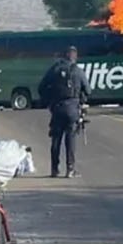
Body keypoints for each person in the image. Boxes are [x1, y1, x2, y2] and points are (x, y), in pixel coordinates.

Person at [38, 46, 91, 178]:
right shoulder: (78, 71)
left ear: (64, 55)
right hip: (72, 108)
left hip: (57, 107)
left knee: (56, 139)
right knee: (70, 139)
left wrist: (49, 101)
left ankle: (54, 169)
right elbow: (88, 90)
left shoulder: (55, 69)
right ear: (74, 56)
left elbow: (41, 87)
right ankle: (70, 169)